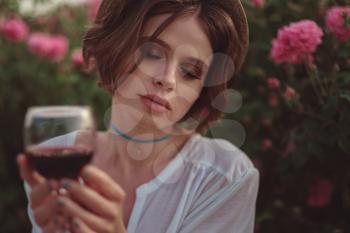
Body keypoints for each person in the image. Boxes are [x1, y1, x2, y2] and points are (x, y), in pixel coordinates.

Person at [17, 0, 259, 232]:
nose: (167, 79)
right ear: (116, 46)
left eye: (190, 72)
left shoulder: (224, 176)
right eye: (152, 53)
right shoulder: (56, 155)